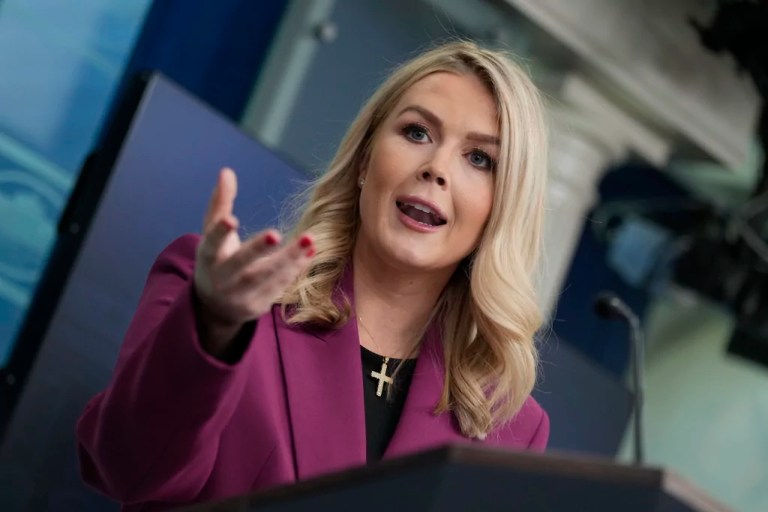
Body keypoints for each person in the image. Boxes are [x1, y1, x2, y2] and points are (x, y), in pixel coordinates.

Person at [76, 40, 550, 511]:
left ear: (501, 208)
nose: (436, 168)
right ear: (365, 161)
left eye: (480, 159)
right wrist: (212, 325)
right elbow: (125, 469)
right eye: (417, 133)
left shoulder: (514, 429)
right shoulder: (214, 297)